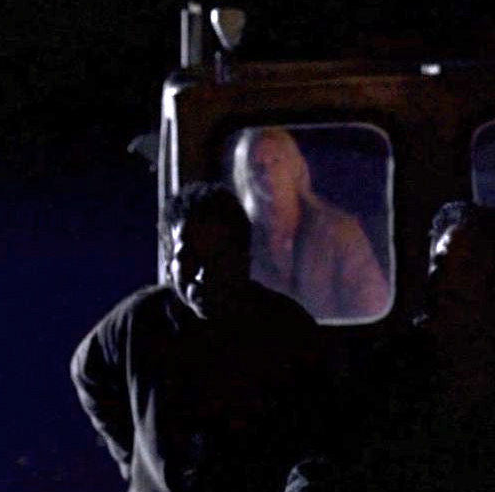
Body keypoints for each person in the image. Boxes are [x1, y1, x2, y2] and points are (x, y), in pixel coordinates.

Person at [70, 182, 325, 492]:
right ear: (169, 264)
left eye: (220, 256)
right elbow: (87, 371)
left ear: (244, 258)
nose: (204, 274)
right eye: (189, 256)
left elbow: (318, 435)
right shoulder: (140, 319)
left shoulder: (286, 329)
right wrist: (133, 455)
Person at [232, 127, 389, 321]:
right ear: (244, 178)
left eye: (276, 161)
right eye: (257, 166)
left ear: (296, 167)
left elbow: (372, 306)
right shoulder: (237, 240)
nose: (268, 173)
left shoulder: (340, 231)